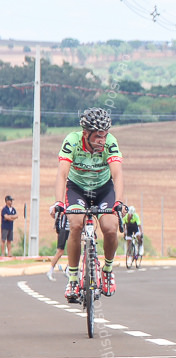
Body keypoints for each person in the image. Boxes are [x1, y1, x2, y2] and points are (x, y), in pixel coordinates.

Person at [51, 107, 125, 301]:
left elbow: (117, 174)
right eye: (98, 136)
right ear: (86, 134)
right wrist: (59, 202)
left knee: (110, 227)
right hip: (77, 189)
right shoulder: (72, 141)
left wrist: (118, 202)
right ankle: (73, 279)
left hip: (103, 190)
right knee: (75, 225)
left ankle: (107, 270)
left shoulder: (110, 142)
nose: (103, 140)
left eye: (105, 135)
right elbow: (62, 174)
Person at [46, 210, 70, 281]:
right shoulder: (63, 205)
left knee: (73, 251)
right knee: (60, 251)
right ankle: (50, 271)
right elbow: (52, 212)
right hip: (64, 229)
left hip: (71, 229)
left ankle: (68, 269)